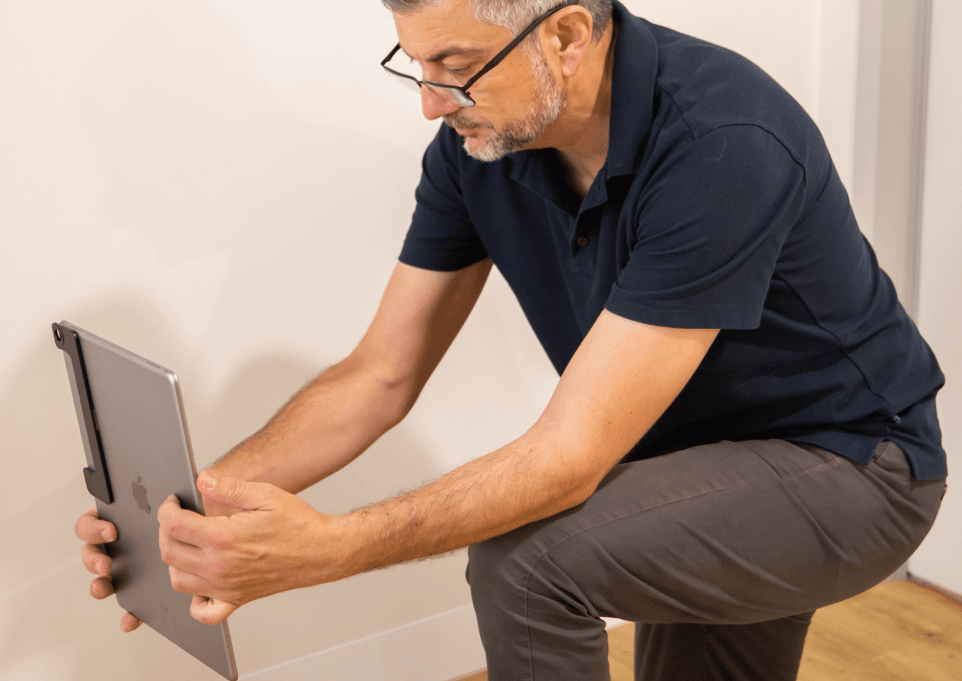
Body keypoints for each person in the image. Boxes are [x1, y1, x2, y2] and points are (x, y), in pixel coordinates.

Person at [75, 1, 949, 679]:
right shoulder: (480, 146)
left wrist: (328, 548)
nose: (430, 104)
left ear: (566, 35)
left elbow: (570, 457)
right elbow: (377, 376)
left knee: (527, 564)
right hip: (690, 461)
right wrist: (190, 515)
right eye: (417, 67)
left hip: (854, 466)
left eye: (456, 69)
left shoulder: (721, 143)